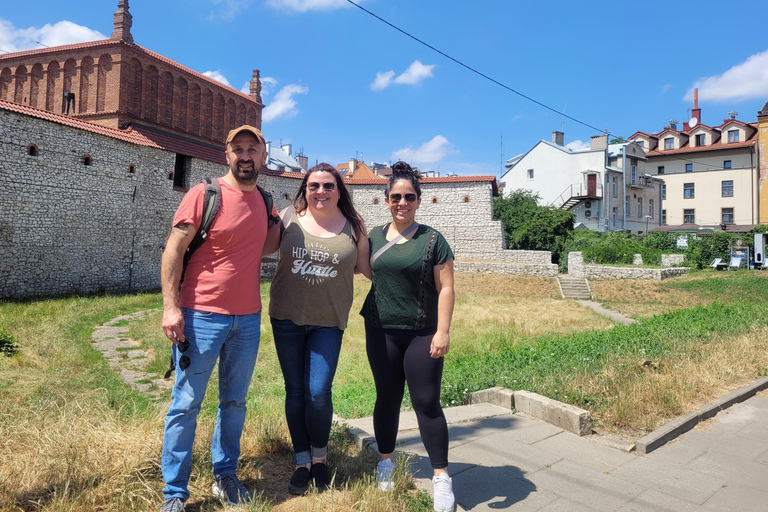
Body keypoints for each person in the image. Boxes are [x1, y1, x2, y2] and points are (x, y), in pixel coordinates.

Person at [159, 125, 281, 512]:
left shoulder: (265, 200)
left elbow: (268, 246)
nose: (245, 155)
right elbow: (173, 250)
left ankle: (225, 475)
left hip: (247, 320)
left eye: (253, 149)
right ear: (226, 155)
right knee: (186, 404)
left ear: (263, 157)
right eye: (238, 149)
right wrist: (170, 307)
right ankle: (175, 494)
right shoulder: (203, 194)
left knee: (234, 403)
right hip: (200, 316)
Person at [360, 161, 456, 512]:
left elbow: (446, 288)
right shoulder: (371, 236)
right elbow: (361, 268)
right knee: (386, 398)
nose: (402, 202)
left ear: (418, 200)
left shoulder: (432, 240)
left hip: (422, 333)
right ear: (386, 200)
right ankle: (385, 461)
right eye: (396, 196)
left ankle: (442, 478)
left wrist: (443, 331)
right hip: (380, 329)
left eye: (409, 197)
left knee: (427, 403)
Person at [269, 163, 369, 494]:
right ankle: (302, 462)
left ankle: (321, 459)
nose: (321, 191)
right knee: (295, 390)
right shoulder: (288, 218)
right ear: (305, 189)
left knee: (318, 392)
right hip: (286, 318)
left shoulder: (354, 226)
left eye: (328, 185)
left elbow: (368, 269)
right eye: (314, 186)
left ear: (340, 190)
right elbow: (259, 245)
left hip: (328, 321)